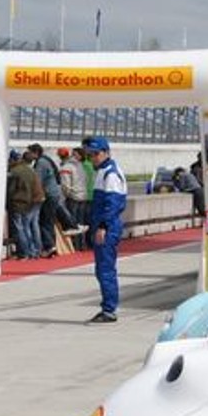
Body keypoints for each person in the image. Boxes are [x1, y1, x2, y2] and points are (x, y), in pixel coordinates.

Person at [85, 136, 126, 322]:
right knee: (102, 268)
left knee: (105, 269)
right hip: (105, 224)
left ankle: (109, 309)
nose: (92, 158)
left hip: (107, 226)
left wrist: (103, 226)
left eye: (95, 154)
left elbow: (113, 203)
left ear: (106, 152)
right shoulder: (103, 171)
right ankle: (108, 307)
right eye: (89, 155)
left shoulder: (110, 174)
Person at [30, 142, 69, 256]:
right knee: (49, 220)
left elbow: (37, 180)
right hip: (54, 193)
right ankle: (52, 245)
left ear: (35, 152)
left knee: (44, 221)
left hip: (48, 195)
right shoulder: (47, 160)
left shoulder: (40, 163)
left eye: (31, 153)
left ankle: (49, 246)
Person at [5, 147, 43, 260]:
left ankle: (24, 252)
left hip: (18, 202)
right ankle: (34, 251)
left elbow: (11, 191)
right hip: (32, 201)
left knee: (20, 228)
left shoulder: (14, 172)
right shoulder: (29, 170)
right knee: (30, 226)